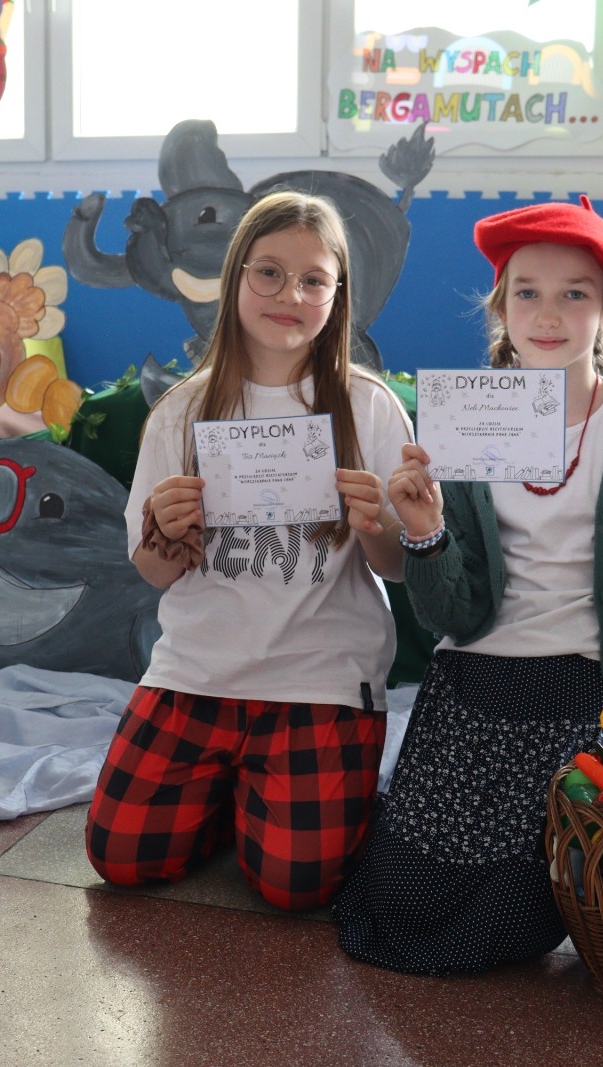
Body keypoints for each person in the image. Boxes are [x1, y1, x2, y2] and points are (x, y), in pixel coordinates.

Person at [332, 197, 603, 973]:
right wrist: (426, 531)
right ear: (501, 308)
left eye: (575, 293)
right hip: (472, 677)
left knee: (516, 916)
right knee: (399, 900)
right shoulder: (466, 420)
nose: (549, 313)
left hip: (580, 689)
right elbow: (449, 611)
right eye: (527, 291)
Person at [85, 190, 414, 911]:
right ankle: (234, 798)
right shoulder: (182, 409)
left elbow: (395, 567)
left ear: (337, 296)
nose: (289, 295)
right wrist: (166, 532)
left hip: (320, 679)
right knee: (121, 859)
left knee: (296, 887)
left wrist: (376, 525)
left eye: (313, 280)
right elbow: (152, 572)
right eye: (269, 273)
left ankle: (265, 802)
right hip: (196, 672)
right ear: (234, 277)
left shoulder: (368, 406)